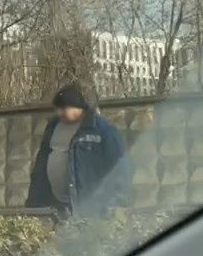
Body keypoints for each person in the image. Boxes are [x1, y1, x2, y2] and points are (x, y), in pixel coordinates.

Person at [26, 83, 131, 220]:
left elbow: (120, 166)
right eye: (57, 109)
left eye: (63, 108)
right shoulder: (52, 127)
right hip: (56, 205)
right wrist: (35, 202)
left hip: (88, 207)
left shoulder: (102, 130)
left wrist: (116, 203)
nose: (59, 112)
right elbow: (41, 163)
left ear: (78, 108)